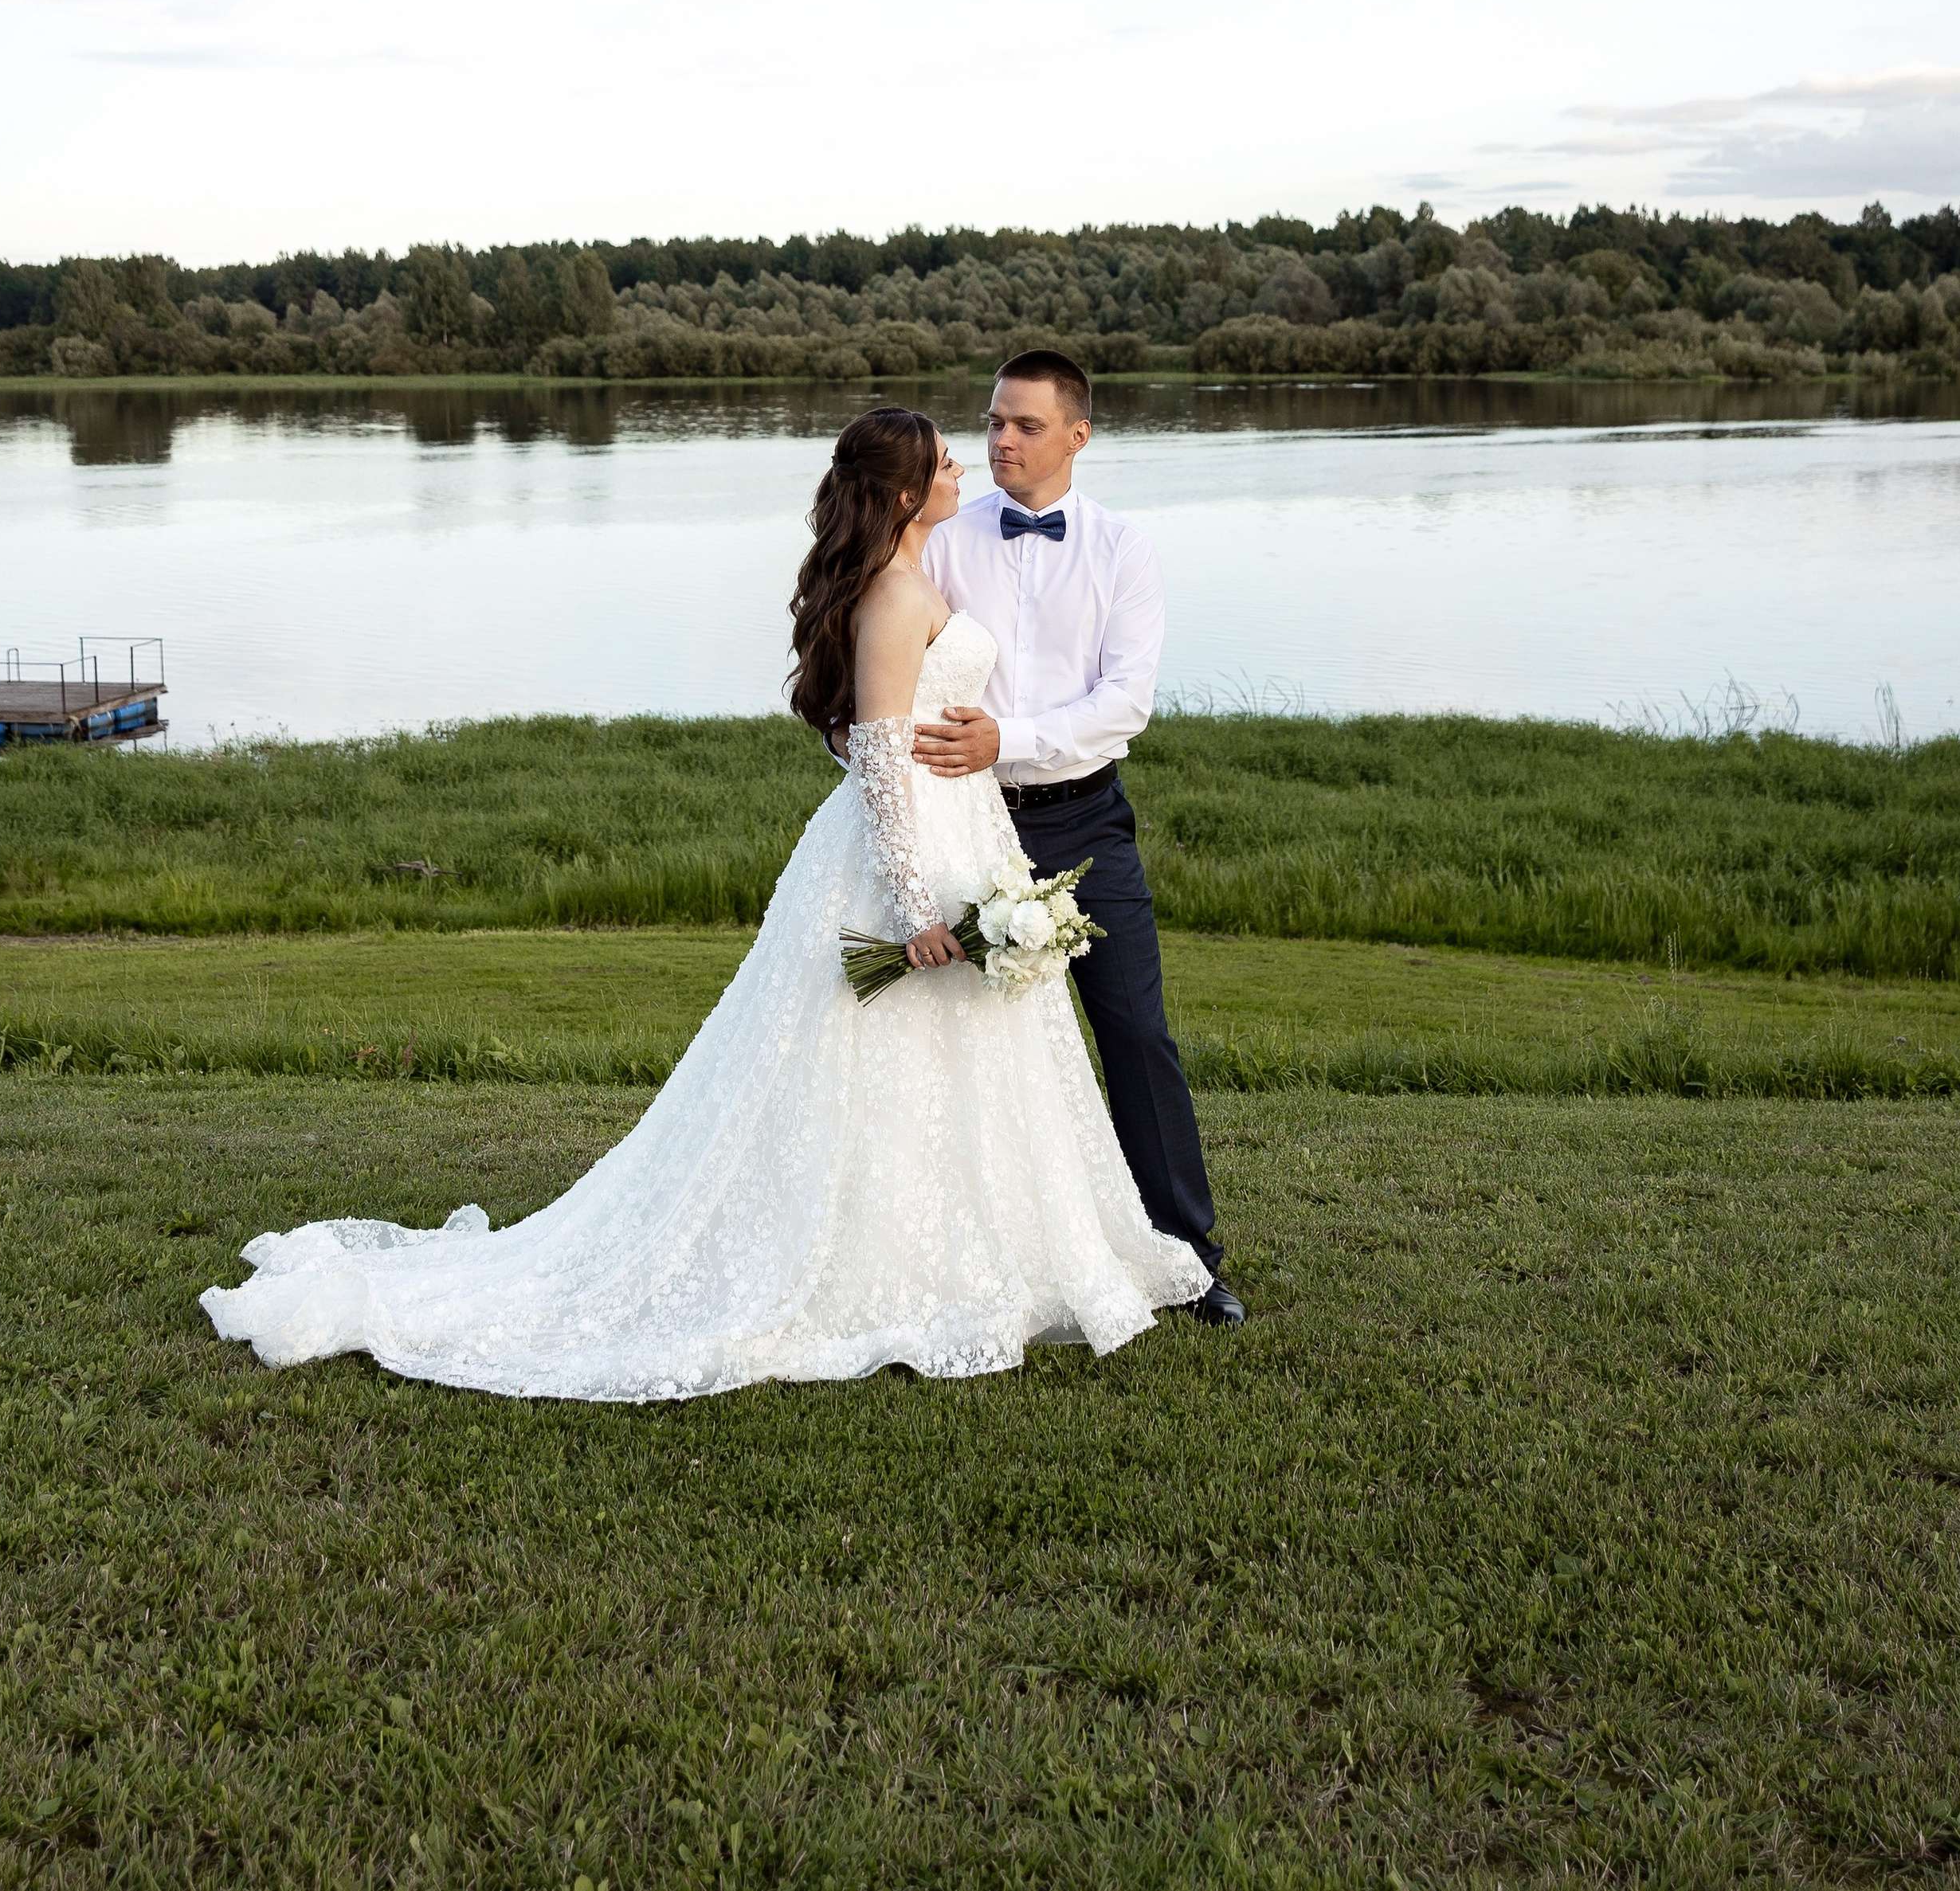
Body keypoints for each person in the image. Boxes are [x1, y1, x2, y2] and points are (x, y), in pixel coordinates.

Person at [199, 405, 1209, 1399]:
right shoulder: (900, 595)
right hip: (915, 850)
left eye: (989, 439)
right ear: (907, 493)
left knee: (970, 1057)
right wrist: (910, 907)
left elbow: (891, 725)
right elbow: (878, 757)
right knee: (858, 1057)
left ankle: (987, 1245)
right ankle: (872, 1261)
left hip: (968, 829)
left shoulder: (924, 570)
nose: (969, 466)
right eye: (951, 457)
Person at [917, 351, 1243, 1326]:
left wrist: (1004, 739)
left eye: (1022, 424)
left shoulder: (1122, 549)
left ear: (1078, 434)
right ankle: (962, 1261)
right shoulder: (943, 542)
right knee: (957, 1043)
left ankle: (1190, 1259)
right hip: (965, 825)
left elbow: (1123, 704)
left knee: (1135, 1033)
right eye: (992, 422)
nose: (1001, 440)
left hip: (1084, 818)